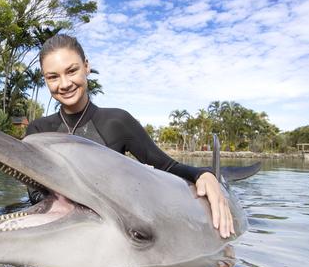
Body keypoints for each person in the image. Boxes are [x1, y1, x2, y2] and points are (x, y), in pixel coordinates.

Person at [26, 34, 234, 239]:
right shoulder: (38, 131)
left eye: (72, 71)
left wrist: (204, 174)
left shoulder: (117, 121)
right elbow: (35, 195)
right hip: (58, 230)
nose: (64, 84)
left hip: (108, 233)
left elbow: (166, 166)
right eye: (53, 77)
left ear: (86, 66)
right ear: (45, 79)